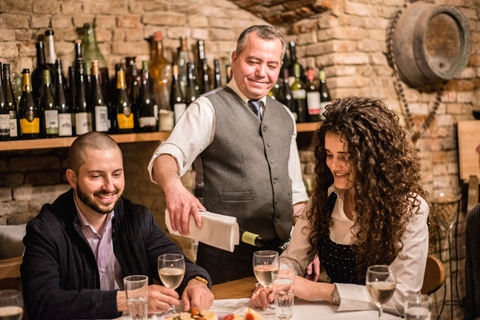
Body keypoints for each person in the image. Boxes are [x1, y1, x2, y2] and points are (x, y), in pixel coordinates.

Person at [148, 25, 310, 284]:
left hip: (282, 257)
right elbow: (167, 155)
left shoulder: (285, 115)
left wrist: (308, 243)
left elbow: (297, 194)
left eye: (271, 65)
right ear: (234, 59)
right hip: (225, 259)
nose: (262, 73)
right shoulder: (207, 108)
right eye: (253, 61)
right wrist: (174, 188)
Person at [250, 96, 431, 315]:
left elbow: (401, 297)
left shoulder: (409, 209)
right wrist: (274, 283)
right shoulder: (324, 201)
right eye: (328, 155)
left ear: (373, 158)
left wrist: (319, 290)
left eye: (345, 157)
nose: (334, 166)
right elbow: (292, 260)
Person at [21, 132, 214, 320]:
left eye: (116, 174)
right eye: (96, 176)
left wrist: (196, 282)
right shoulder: (45, 230)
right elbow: (42, 303)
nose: (109, 186)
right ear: (72, 178)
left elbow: (175, 261)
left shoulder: (137, 218)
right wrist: (129, 299)